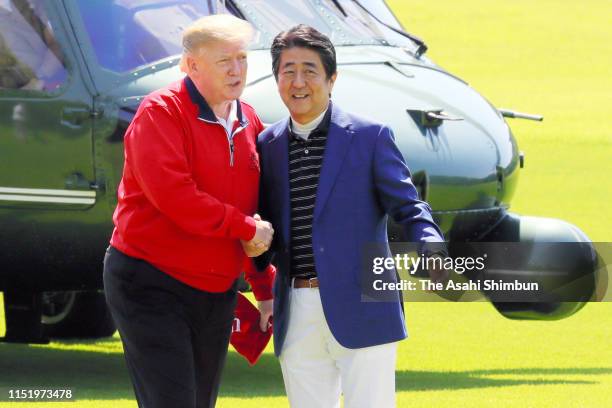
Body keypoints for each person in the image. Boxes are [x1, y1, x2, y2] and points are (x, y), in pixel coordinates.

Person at [255, 25, 447, 407]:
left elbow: (408, 205)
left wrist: (429, 240)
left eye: (310, 70)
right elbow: (265, 225)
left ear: (332, 78)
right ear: (276, 78)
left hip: (365, 302)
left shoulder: (370, 137)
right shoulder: (267, 145)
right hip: (297, 307)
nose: (298, 81)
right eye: (288, 70)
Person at [102, 14, 274, 408]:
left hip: (215, 292)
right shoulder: (160, 112)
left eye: (243, 58)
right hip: (150, 283)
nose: (237, 70)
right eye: (224, 61)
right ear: (192, 65)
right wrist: (246, 227)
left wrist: (265, 289)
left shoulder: (248, 120)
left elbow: (255, 215)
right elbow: (177, 198)